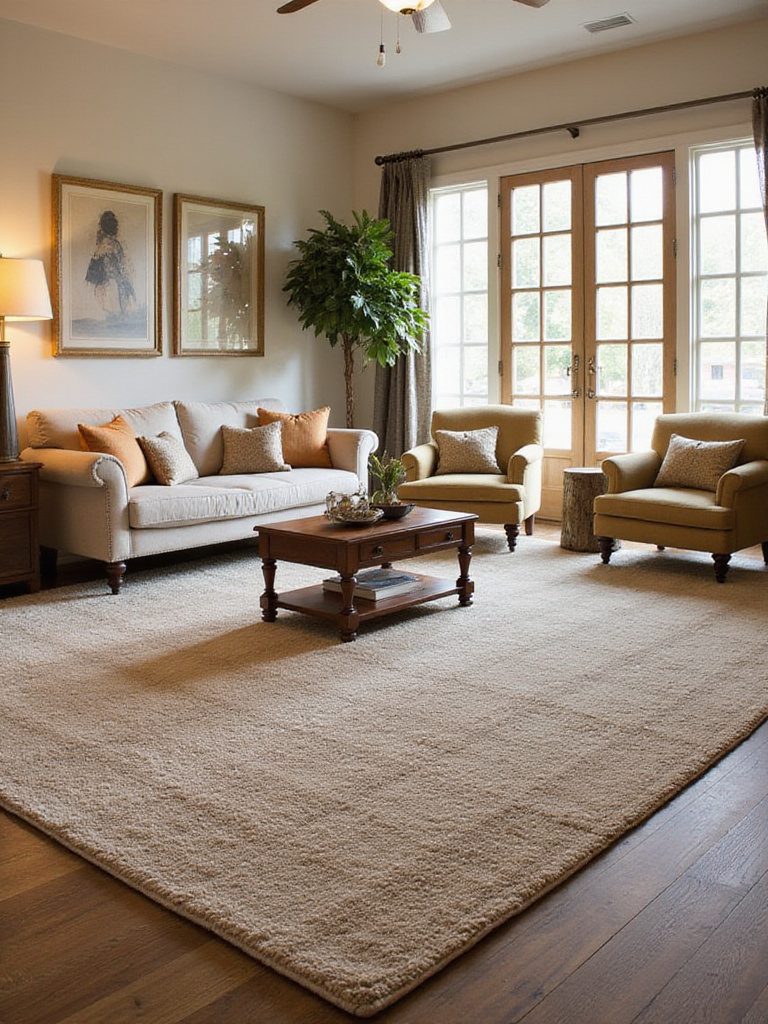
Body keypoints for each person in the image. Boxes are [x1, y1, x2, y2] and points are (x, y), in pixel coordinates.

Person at [85, 209, 137, 317]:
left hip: (108, 283)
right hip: (109, 283)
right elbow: (119, 266)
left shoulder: (103, 246)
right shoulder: (112, 245)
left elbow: (94, 269)